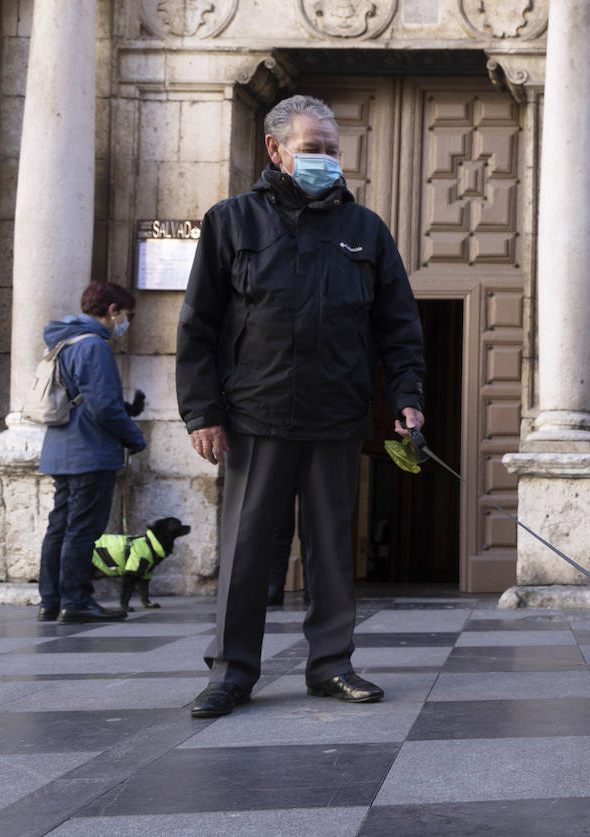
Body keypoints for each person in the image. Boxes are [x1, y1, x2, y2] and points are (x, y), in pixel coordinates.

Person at [177, 94, 425, 718]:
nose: (325, 161)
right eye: (313, 150)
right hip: (254, 416)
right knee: (245, 549)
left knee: (330, 550)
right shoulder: (231, 222)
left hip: (336, 417)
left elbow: (399, 326)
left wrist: (408, 400)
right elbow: (197, 326)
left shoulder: (364, 230)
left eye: (332, 151)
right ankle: (232, 673)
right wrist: (200, 410)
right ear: (276, 149)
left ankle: (332, 665)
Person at [38, 282, 146, 624]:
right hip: (90, 450)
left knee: (60, 526)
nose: (124, 324)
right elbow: (104, 407)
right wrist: (134, 437)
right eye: (125, 315)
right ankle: (77, 601)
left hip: (61, 448)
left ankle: (51, 601)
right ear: (112, 310)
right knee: (82, 529)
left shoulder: (63, 341)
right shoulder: (94, 346)